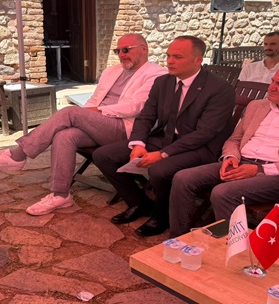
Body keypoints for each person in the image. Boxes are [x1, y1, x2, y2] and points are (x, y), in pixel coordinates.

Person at [0, 34, 166, 215]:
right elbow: (94, 100)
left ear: (144, 49)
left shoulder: (157, 74)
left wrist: (93, 113)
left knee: (70, 112)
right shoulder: (112, 71)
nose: (121, 55)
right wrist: (87, 117)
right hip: (100, 124)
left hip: (125, 128)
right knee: (65, 135)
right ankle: (60, 195)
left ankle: (17, 155)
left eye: (126, 50)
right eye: (118, 51)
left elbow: (136, 107)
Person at [168, 62, 279, 237]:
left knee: (223, 193)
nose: (271, 87)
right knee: (183, 178)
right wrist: (230, 157)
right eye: (272, 81)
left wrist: (260, 169)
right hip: (242, 162)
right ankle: (178, 237)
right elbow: (235, 139)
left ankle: (231, 247)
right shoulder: (257, 106)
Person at [93, 35, 237, 237]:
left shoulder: (220, 89)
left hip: (200, 147)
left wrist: (162, 154)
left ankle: (161, 217)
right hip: (165, 137)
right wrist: (138, 144)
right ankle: (139, 203)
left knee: (160, 170)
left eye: (177, 57)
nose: (169, 61)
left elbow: (205, 133)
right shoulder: (163, 82)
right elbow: (146, 116)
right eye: (168, 56)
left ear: (198, 60)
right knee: (103, 156)